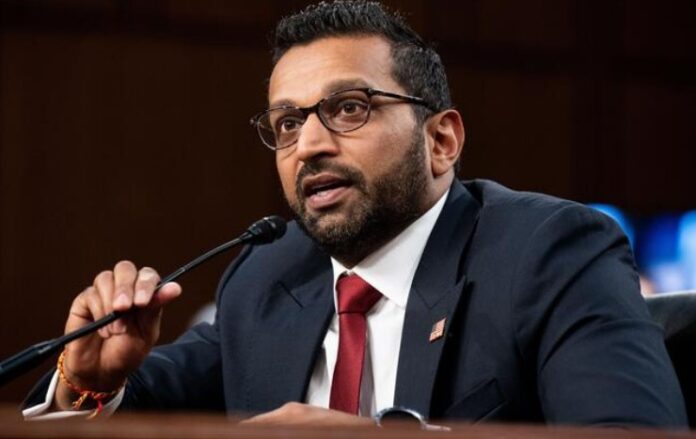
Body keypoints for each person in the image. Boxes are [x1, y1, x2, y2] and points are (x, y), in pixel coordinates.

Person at [23, 0, 686, 428]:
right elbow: (150, 399)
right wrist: (87, 381)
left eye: (349, 109)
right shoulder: (266, 276)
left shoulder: (550, 253)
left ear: (442, 140)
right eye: (287, 123)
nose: (309, 144)